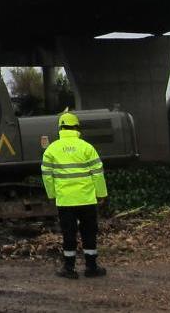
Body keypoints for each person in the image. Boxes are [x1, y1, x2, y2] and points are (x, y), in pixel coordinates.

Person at [42, 111, 108, 279]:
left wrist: (52, 195)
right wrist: (101, 194)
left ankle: (69, 269)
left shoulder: (52, 149)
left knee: (69, 234)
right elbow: (98, 173)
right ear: (77, 127)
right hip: (86, 199)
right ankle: (91, 268)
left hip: (65, 201)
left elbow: (47, 175)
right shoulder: (87, 147)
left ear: (60, 128)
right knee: (89, 232)